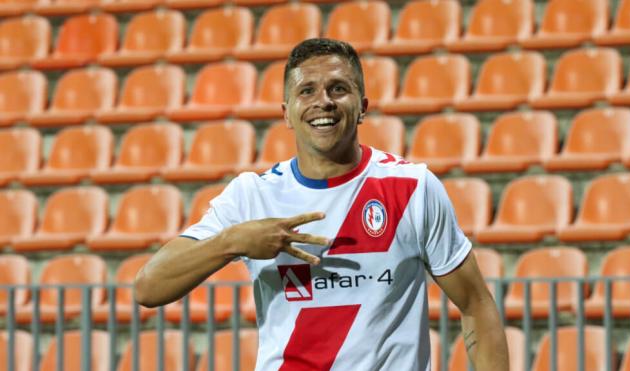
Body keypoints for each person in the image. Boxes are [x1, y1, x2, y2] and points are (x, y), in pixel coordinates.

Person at [135, 38, 509, 370]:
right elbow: (149, 288)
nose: (323, 102)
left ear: (362, 107)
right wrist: (231, 242)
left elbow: (477, 304)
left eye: (338, 88)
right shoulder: (253, 195)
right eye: (307, 91)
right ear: (286, 113)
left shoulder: (412, 187)